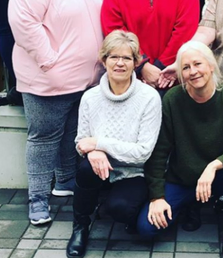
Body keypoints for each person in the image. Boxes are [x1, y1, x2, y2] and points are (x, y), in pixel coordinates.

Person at [8, 0, 103, 225]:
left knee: (71, 135)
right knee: (44, 139)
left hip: (85, 80)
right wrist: (50, 62)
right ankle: (37, 198)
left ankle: (65, 183)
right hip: (47, 79)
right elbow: (23, 22)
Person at [137, 41, 223, 258]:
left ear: (211, 65)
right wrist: (156, 197)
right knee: (146, 229)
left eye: (198, 64)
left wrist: (214, 166)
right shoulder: (173, 99)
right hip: (184, 179)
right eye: (185, 67)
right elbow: (159, 151)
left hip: (219, 176)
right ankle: (191, 203)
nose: (193, 71)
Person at [66, 30, 161, 258]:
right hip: (100, 169)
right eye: (113, 57)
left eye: (127, 58)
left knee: (120, 209)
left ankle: (116, 205)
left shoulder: (149, 98)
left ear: (136, 63)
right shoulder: (90, 97)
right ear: (104, 60)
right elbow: (81, 142)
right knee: (86, 168)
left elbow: (143, 153)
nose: (120, 63)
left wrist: (99, 144)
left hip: (134, 172)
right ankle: (80, 226)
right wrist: (93, 152)